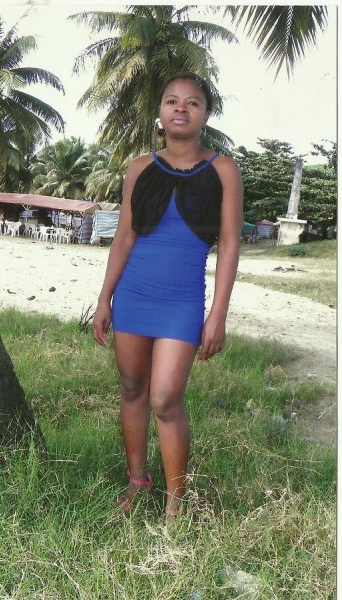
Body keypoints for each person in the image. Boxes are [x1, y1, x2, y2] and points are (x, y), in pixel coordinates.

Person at [93, 72, 243, 517]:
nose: (181, 108)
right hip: (134, 294)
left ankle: (176, 507)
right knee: (131, 387)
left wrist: (217, 315)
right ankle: (138, 480)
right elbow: (124, 237)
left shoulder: (223, 170)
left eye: (193, 102)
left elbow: (230, 244)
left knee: (164, 397)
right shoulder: (140, 168)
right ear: (160, 112)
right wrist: (104, 299)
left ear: (206, 115)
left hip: (182, 302)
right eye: (172, 101)